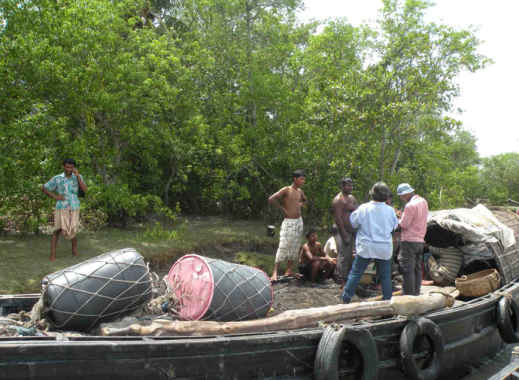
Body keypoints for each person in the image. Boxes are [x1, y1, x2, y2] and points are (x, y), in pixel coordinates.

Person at [341, 182, 399, 303]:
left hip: (366, 246)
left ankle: (346, 299)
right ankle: (387, 301)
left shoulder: (364, 208)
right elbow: (394, 227)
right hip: (384, 247)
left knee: (356, 273)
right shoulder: (390, 211)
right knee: (385, 276)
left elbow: (353, 223)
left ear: (372, 194)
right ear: (386, 196)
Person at [42, 158, 87, 261]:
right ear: (63, 166)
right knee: (57, 230)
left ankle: (74, 251)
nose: (69, 169)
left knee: (73, 229)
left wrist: (78, 177)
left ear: (74, 168)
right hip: (61, 207)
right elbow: (44, 188)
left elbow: (85, 190)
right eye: (67, 167)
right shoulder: (57, 178)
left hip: (74, 206)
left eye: (71, 167)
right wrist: (55, 196)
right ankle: (52, 254)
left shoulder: (78, 177)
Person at [269, 170, 307, 281]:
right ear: (295, 179)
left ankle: (289, 269)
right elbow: (271, 199)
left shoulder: (300, 191)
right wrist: (283, 209)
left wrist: (301, 204)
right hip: (288, 222)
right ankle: (275, 271)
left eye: (304, 179)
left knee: (295, 246)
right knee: (284, 245)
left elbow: (305, 200)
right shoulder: (286, 189)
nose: (303, 181)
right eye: (301, 179)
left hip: (298, 221)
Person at [396, 183, 429, 296]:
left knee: (408, 269)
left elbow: (404, 225)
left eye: (401, 196)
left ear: (405, 194)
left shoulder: (410, 206)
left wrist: (398, 219)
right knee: (417, 269)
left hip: (409, 241)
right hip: (420, 240)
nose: (401, 198)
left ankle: (409, 295)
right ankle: (416, 292)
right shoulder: (423, 201)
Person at [331, 177, 358, 285]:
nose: (350, 187)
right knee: (343, 254)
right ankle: (340, 277)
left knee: (351, 254)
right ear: (342, 186)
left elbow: (357, 210)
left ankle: (347, 276)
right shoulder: (338, 200)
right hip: (342, 230)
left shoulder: (352, 198)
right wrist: (344, 234)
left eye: (351, 185)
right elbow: (338, 218)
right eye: (347, 185)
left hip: (352, 230)